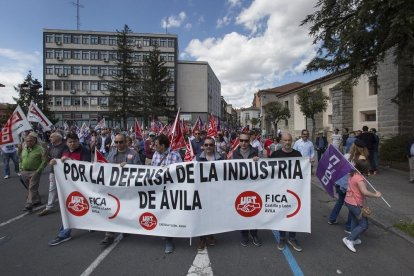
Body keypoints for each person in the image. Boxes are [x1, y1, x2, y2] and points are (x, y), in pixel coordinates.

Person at [48, 132, 91, 246]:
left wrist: (70, 161)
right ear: (66, 142)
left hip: (82, 185)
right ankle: (64, 233)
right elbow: (58, 160)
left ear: (78, 140)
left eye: (74, 141)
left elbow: (86, 166)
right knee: (69, 208)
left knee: (85, 206)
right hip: (68, 186)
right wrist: (54, 162)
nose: (72, 144)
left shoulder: (84, 150)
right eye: (70, 142)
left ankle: (88, 224)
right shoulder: (64, 150)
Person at [101, 133, 141, 245]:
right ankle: (109, 234)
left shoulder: (133, 154)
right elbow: (105, 168)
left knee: (125, 210)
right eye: (116, 142)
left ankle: (126, 227)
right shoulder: (111, 154)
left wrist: (128, 166)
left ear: (126, 142)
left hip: (127, 188)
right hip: (113, 188)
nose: (118, 144)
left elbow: (140, 169)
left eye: (121, 142)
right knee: (111, 210)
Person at [270, 132, 303, 252]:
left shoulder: (297, 154)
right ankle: (282, 237)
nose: (287, 142)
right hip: (280, 191)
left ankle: (292, 237)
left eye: (289, 140)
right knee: (282, 215)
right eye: (285, 140)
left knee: (294, 214)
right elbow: (268, 170)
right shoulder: (275, 155)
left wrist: (308, 163)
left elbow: (303, 171)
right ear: (281, 141)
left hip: (294, 190)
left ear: (292, 141)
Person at [328, 140, 369, 232]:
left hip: (340, 183)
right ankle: (348, 227)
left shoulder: (346, 156)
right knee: (352, 205)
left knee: (340, 201)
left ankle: (332, 219)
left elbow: (338, 169)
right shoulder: (361, 159)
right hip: (350, 185)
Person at [151, 134, 182, 254]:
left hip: (171, 189)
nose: (154, 147)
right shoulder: (155, 155)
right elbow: (152, 170)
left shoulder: (175, 155)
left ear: (163, 146)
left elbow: (182, 172)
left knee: (169, 214)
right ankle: (164, 232)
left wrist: (168, 170)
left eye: (156, 145)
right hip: (159, 189)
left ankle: (169, 240)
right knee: (161, 213)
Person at [342, 158, 381, 253]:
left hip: (349, 201)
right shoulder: (359, 178)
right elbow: (365, 192)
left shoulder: (352, 174)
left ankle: (353, 238)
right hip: (355, 203)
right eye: (368, 168)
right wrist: (376, 195)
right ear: (364, 169)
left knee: (354, 220)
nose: (369, 169)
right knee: (364, 225)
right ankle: (349, 239)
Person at [232, 131, 262, 247]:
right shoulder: (234, 153)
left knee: (254, 210)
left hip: (254, 186)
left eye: (246, 141)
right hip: (240, 186)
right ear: (239, 141)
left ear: (249, 141)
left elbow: (264, 167)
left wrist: (258, 161)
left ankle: (254, 234)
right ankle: (244, 234)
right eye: (241, 141)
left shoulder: (255, 151)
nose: (243, 143)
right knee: (242, 211)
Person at [196, 136, 223, 250]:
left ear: (214, 146)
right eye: (206, 145)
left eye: (211, 145)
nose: (208, 147)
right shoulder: (197, 158)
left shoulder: (220, 158)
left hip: (215, 191)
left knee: (212, 215)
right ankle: (202, 239)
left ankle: (211, 235)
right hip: (201, 191)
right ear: (203, 146)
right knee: (201, 215)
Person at [38, 132, 68, 216]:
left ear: (58, 138)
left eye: (51, 137)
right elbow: (50, 158)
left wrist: (58, 160)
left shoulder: (65, 147)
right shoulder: (51, 146)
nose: (50, 138)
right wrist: (46, 157)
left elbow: (65, 158)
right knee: (52, 188)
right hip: (53, 171)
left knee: (65, 189)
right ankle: (49, 207)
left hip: (63, 172)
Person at [20, 132, 48, 211]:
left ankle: (29, 203)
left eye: (31, 141)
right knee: (31, 187)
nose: (29, 142)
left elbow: (44, 161)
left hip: (35, 171)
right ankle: (37, 200)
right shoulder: (24, 148)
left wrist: (39, 170)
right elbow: (20, 159)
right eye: (27, 141)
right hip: (24, 171)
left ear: (35, 141)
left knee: (32, 187)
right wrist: (21, 168)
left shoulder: (41, 149)